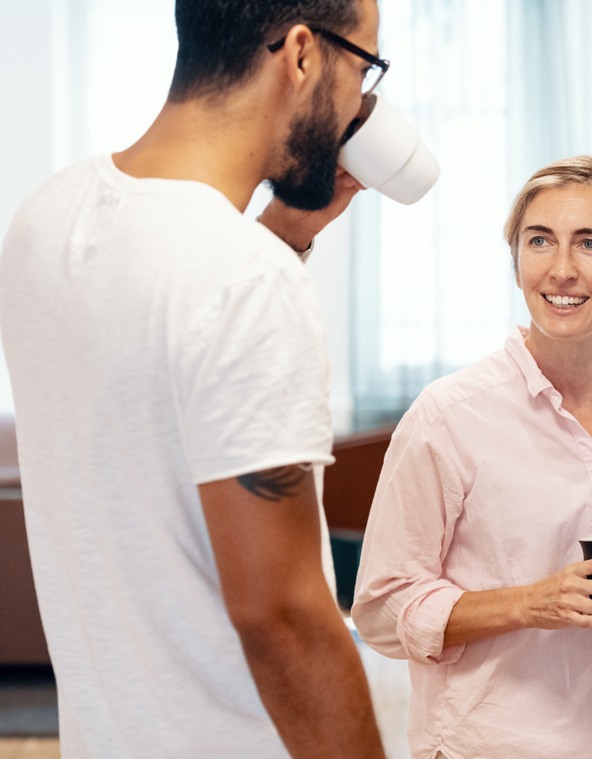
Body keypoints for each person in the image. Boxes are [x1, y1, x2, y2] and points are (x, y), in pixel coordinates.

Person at [0, 1, 391, 756]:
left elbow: (159, 375)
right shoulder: (246, 283)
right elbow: (281, 617)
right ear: (303, 55)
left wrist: (285, 235)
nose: (360, 107)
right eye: (363, 68)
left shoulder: (46, 219)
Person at [352, 155, 592, 759]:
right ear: (517, 264)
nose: (561, 270)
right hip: (491, 745)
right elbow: (380, 608)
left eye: (589, 243)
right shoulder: (450, 416)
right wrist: (530, 602)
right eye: (540, 242)